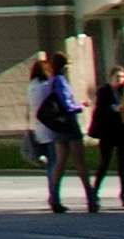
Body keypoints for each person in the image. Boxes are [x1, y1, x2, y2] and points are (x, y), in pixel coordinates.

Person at [27, 53, 84, 213]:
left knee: (54, 163)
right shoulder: (48, 85)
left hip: (41, 128)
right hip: (53, 127)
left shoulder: (31, 86)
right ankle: (54, 197)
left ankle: (54, 196)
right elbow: (61, 102)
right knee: (56, 163)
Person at [88, 67, 124, 210]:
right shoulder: (104, 91)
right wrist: (113, 109)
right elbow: (100, 111)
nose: (120, 80)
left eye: (123, 77)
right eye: (117, 77)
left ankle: (123, 193)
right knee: (104, 162)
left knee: (123, 163)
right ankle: (95, 191)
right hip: (107, 132)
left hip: (122, 132)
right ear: (111, 77)